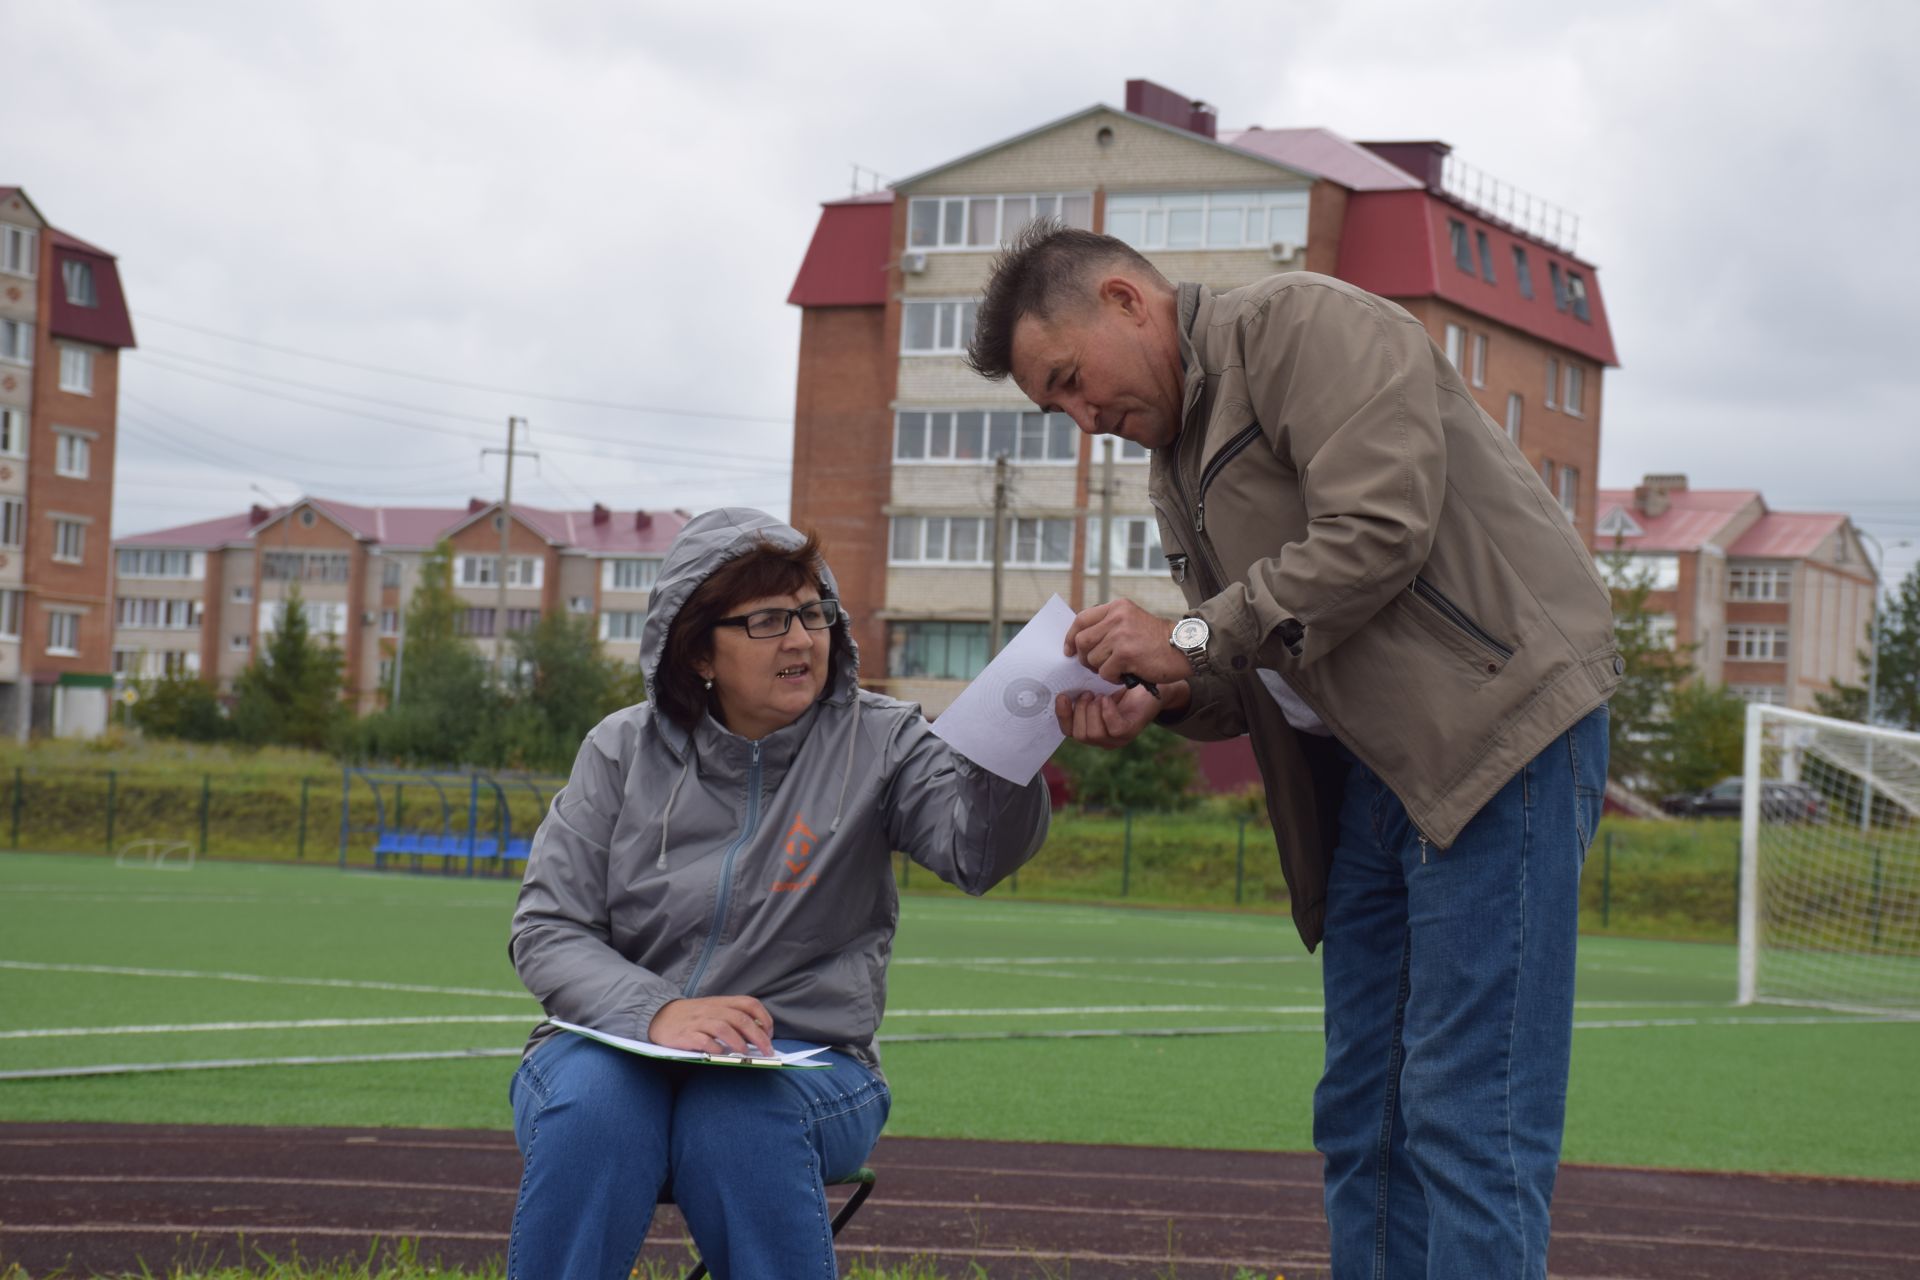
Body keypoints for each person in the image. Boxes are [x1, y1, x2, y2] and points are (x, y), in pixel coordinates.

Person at [967, 224, 1619, 1279]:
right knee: (1362, 1112)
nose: (1087, 422)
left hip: (1497, 739)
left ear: (1130, 301)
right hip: (1365, 782)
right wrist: (1162, 690)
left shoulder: (1306, 325)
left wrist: (1180, 635)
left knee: (1468, 1109)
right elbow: (1264, 655)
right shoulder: (1173, 465)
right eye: (1060, 410)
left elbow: (1376, 532)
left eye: (1075, 380)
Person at [506, 507, 1050, 1280]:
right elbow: (548, 928)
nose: (802, 638)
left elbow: (977, 853)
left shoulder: (884, 742)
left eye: (812, 611)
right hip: (610, 1046)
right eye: (767, 620)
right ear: (696, 649)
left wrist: (1017, 746)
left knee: (736, 1119)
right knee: (597, 1111)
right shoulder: (619, 750)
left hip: (809, 1062)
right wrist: (656, 1012)